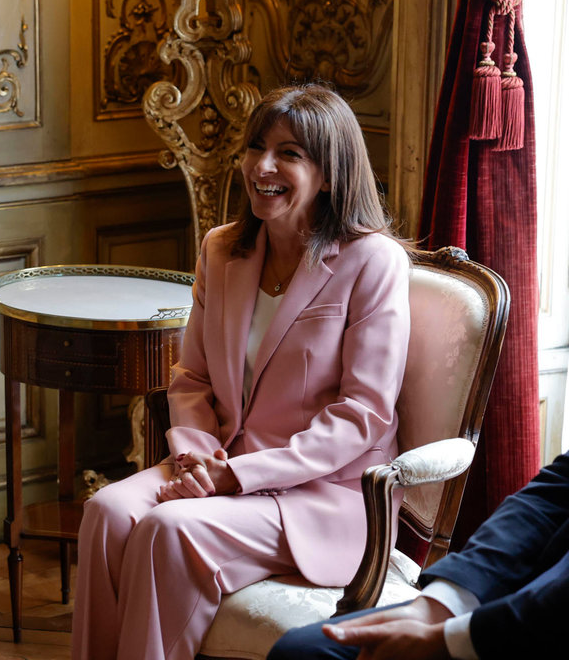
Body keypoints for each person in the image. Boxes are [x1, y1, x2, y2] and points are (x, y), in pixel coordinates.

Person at [71, 84, 412, 660]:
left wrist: (238, 476)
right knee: (104, 512)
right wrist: (199, 456)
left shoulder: (372, 261)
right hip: (219, 464)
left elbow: (364, 415)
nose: (263, 166)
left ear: (329, 174)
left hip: (320, 495)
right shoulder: (221, 250)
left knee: (168, 528)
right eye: (256, 147)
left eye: (290, 154)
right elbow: (193, 380)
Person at [268, 451, 567, 660]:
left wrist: (451, 640)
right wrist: (436, 607)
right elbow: (551, 495)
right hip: (525, 594)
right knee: (301, 650)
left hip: (541, 626)